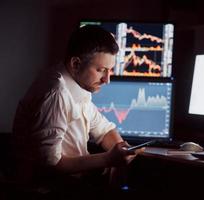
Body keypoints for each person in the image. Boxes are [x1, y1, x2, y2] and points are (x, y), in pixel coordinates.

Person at [12, 25, 141, 197]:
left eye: (109, 71)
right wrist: (109, 159)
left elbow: (103, 129)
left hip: (67, 184)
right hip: (47, 190)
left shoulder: (77, 84)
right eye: (101, 70)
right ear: (75, 63)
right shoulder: (56, 93)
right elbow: (51, 164)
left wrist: (121, 151)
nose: (107, 80)